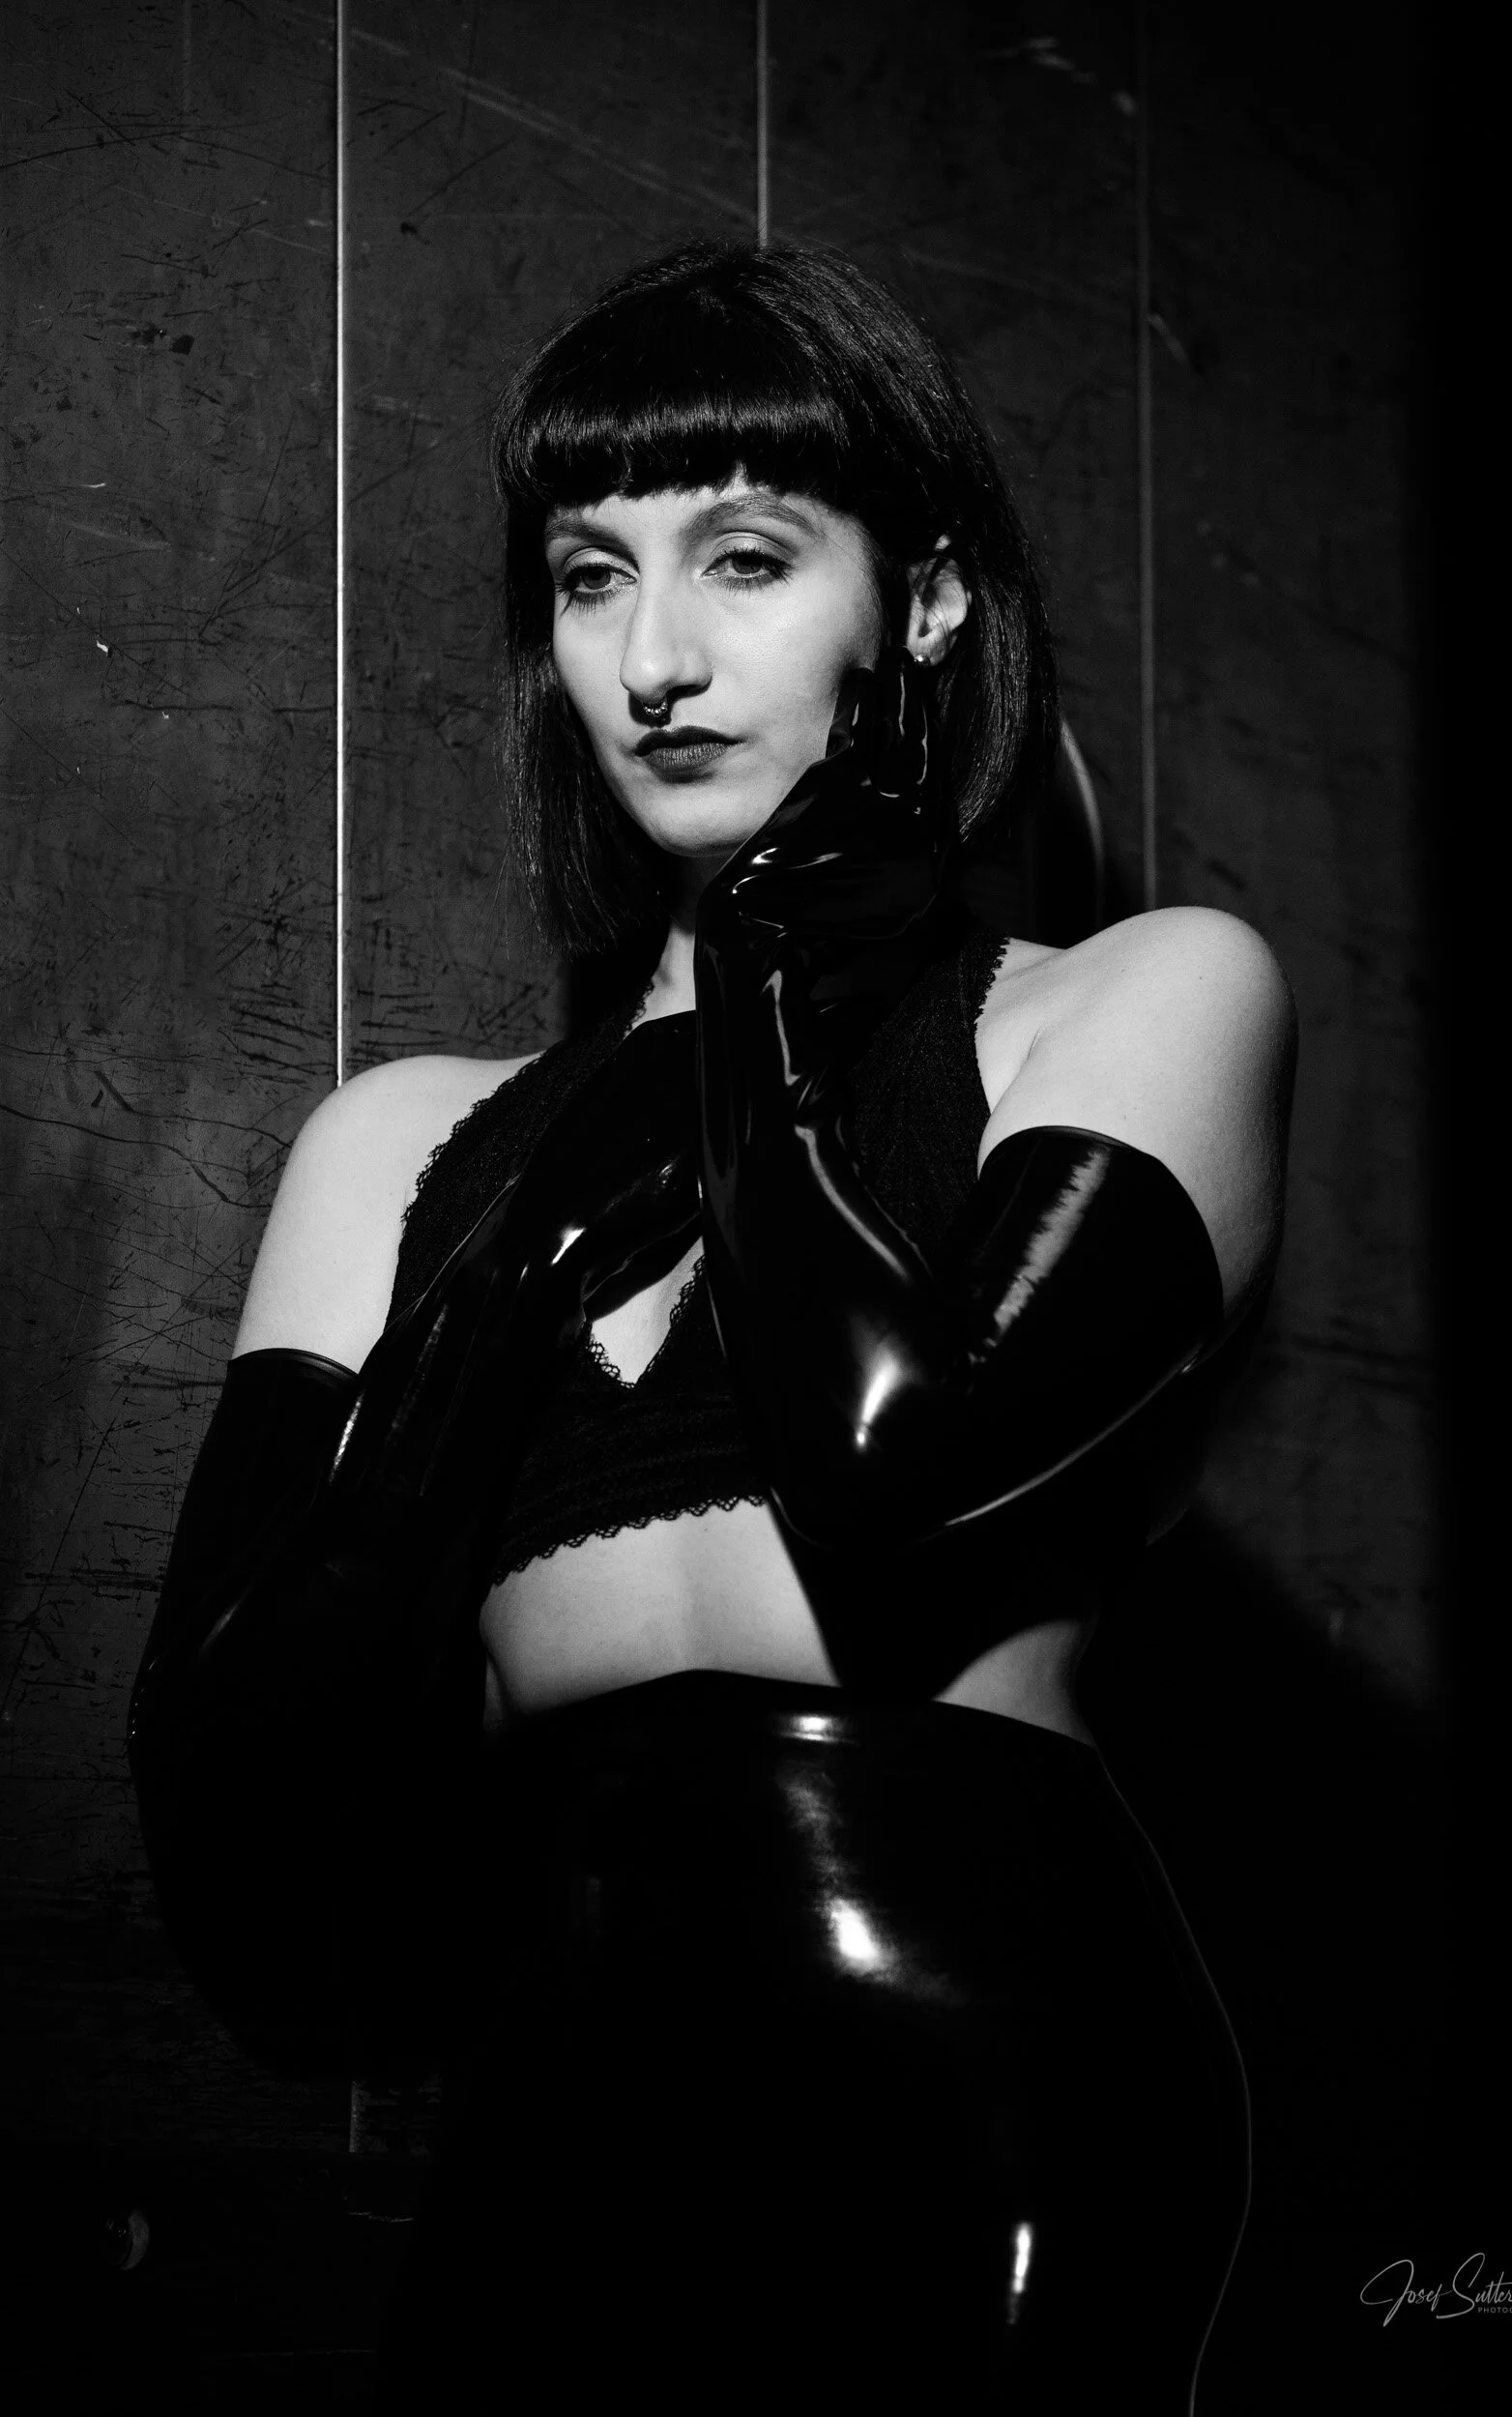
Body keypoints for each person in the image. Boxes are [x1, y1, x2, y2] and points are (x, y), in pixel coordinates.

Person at [128, 242, 1294, 2410]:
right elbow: (235, 1799)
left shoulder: (1131, 1003)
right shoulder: (397, 1143)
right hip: (548, 2094)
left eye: (744, 560)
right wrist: (505, 1270)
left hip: (982, 2050)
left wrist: (750, 997)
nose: (653, 658)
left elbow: (891, 1466)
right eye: (592, 577)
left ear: (920, 604)